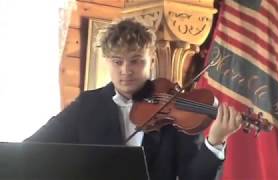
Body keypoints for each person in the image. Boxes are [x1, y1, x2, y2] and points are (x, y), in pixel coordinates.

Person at [26, 18, 242, 180]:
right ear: (107, 62)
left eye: (136, 61)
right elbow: (33, 149)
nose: (126, 70)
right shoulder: (87, 106)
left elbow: (195, 177)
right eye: (117, 62)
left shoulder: (175, 111)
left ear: (151, 59)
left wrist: (215, 141)